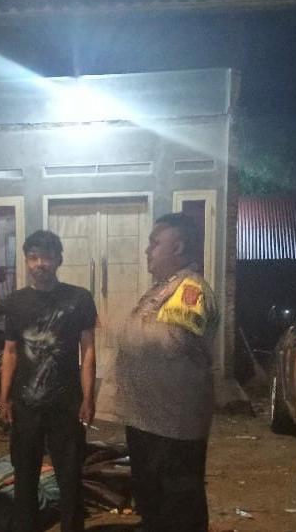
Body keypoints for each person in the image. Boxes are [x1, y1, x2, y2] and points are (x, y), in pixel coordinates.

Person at [111, 213, 218, 532]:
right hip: (149, 418)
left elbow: (168, 341)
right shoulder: (164, 288)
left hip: (174, 424)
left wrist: (122, 331)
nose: (147, 250)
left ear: (179, 247)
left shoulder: (189, 289)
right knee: (153, 501)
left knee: (178, 504)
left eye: (155, 243)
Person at [0, 230, 98, 532]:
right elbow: (10, 352)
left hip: (66, 403)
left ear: (59, 260)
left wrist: (88, 397)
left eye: (47, 257)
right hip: (25, 404)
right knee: (24, 473)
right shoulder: (14, 302)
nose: (40, 263)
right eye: (33, 257)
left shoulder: (79, 298)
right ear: (26, 261)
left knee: (70, 474)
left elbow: (88, 350)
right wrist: (4, 397)